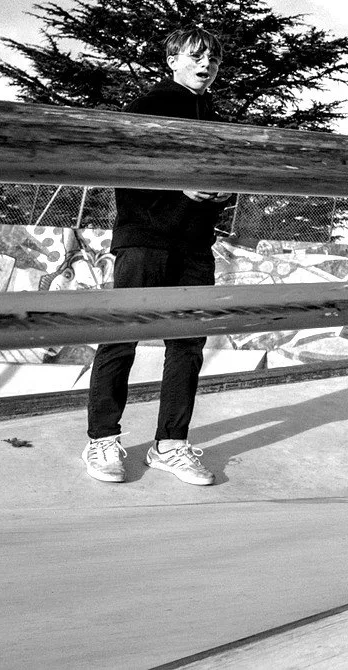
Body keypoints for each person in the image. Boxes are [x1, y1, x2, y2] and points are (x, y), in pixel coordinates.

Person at [82, 26, 231, 485]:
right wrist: (179, 188)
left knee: (186, 345)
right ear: (172, 61)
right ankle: (102, 440)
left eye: (213, 60)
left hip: (193, 244)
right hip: (144, 238)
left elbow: (225, 176)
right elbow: (124, 167)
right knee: (121, 337)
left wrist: (223, 189)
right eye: (194, 56)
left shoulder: (215, 118)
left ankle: (170, 444)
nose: (205, 65)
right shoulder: (150, 106)